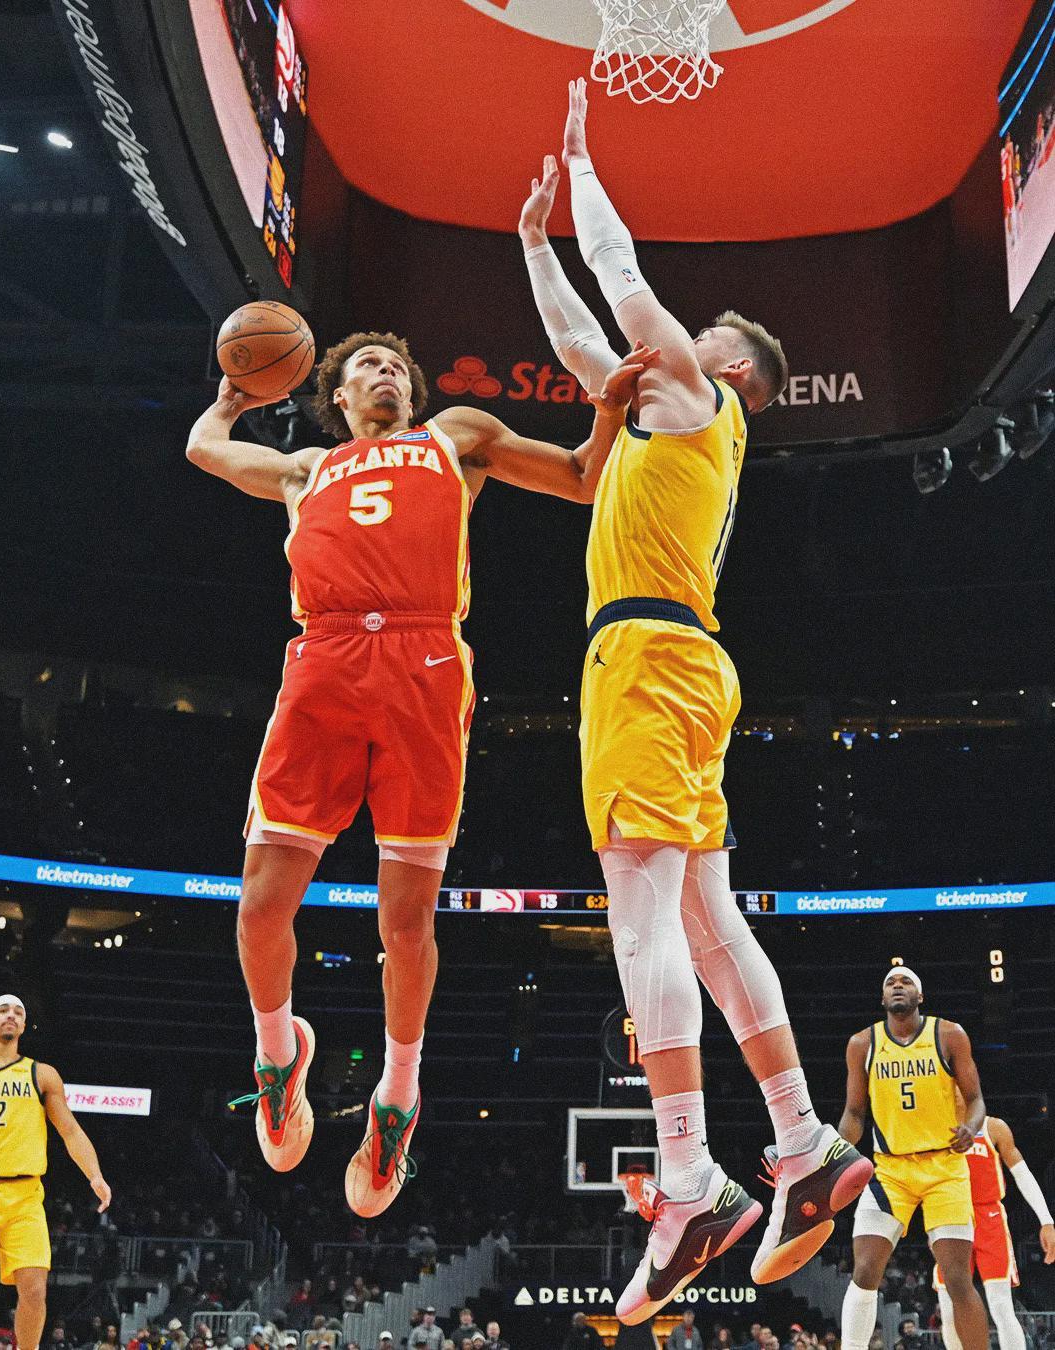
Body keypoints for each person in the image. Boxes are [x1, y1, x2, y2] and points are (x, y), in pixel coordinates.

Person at [517, 76, 871, 1323]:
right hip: (689, 663)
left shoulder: (695, 389)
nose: (667, 328)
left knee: (643, 910)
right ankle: (803, 1143)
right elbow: (583, 348)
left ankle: (688, 1176)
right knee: (709, 919)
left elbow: (619, 278)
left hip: (648, 660)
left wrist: (583, 169)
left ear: (722, 363)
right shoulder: (670, 417)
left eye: (690, 328)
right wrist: (531, 246)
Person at [188, 334, 651, 1203]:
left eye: (398, 365)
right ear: (337, 393)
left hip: (424, 663)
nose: (388, 372)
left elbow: (585, 478)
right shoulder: (307, 470)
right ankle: (278, 1054)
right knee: (260, 906)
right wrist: (231, 397)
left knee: (405, 922)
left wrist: (608, 406)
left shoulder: (454, 437)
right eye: (368, 364)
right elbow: (205, 449)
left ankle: (398, 1095)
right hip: (324, 661)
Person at [837, 967, 990, 1350]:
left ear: (920, 997)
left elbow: (976, 1100)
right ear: (882, 998)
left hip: (945, 1167)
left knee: (957, 1278)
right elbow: (854, 1113)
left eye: (906, 982)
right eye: (891, 982)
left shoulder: (949, 1035)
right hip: (891, 1170)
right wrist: (836, 1155)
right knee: (865, 1269)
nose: (898, 986)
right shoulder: (862, 1043)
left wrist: (971, 1127)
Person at [0, 996, 111, 1350]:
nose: (11, 1015)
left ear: (23, 1027)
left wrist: (94, 1174)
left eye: (18, 1012)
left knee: (35, 1289)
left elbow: (70, 1130)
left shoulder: (41, 1074)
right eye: (3, 1010)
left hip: (24, 1197)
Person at [934, 1099, 1055, 1350]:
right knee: (949, 1308)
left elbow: (1022, 1174)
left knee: (1001, 1305)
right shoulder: (934, 1129)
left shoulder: (993, 1127)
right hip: (949, 1216)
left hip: (989, 1217)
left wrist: (1046, 1220)